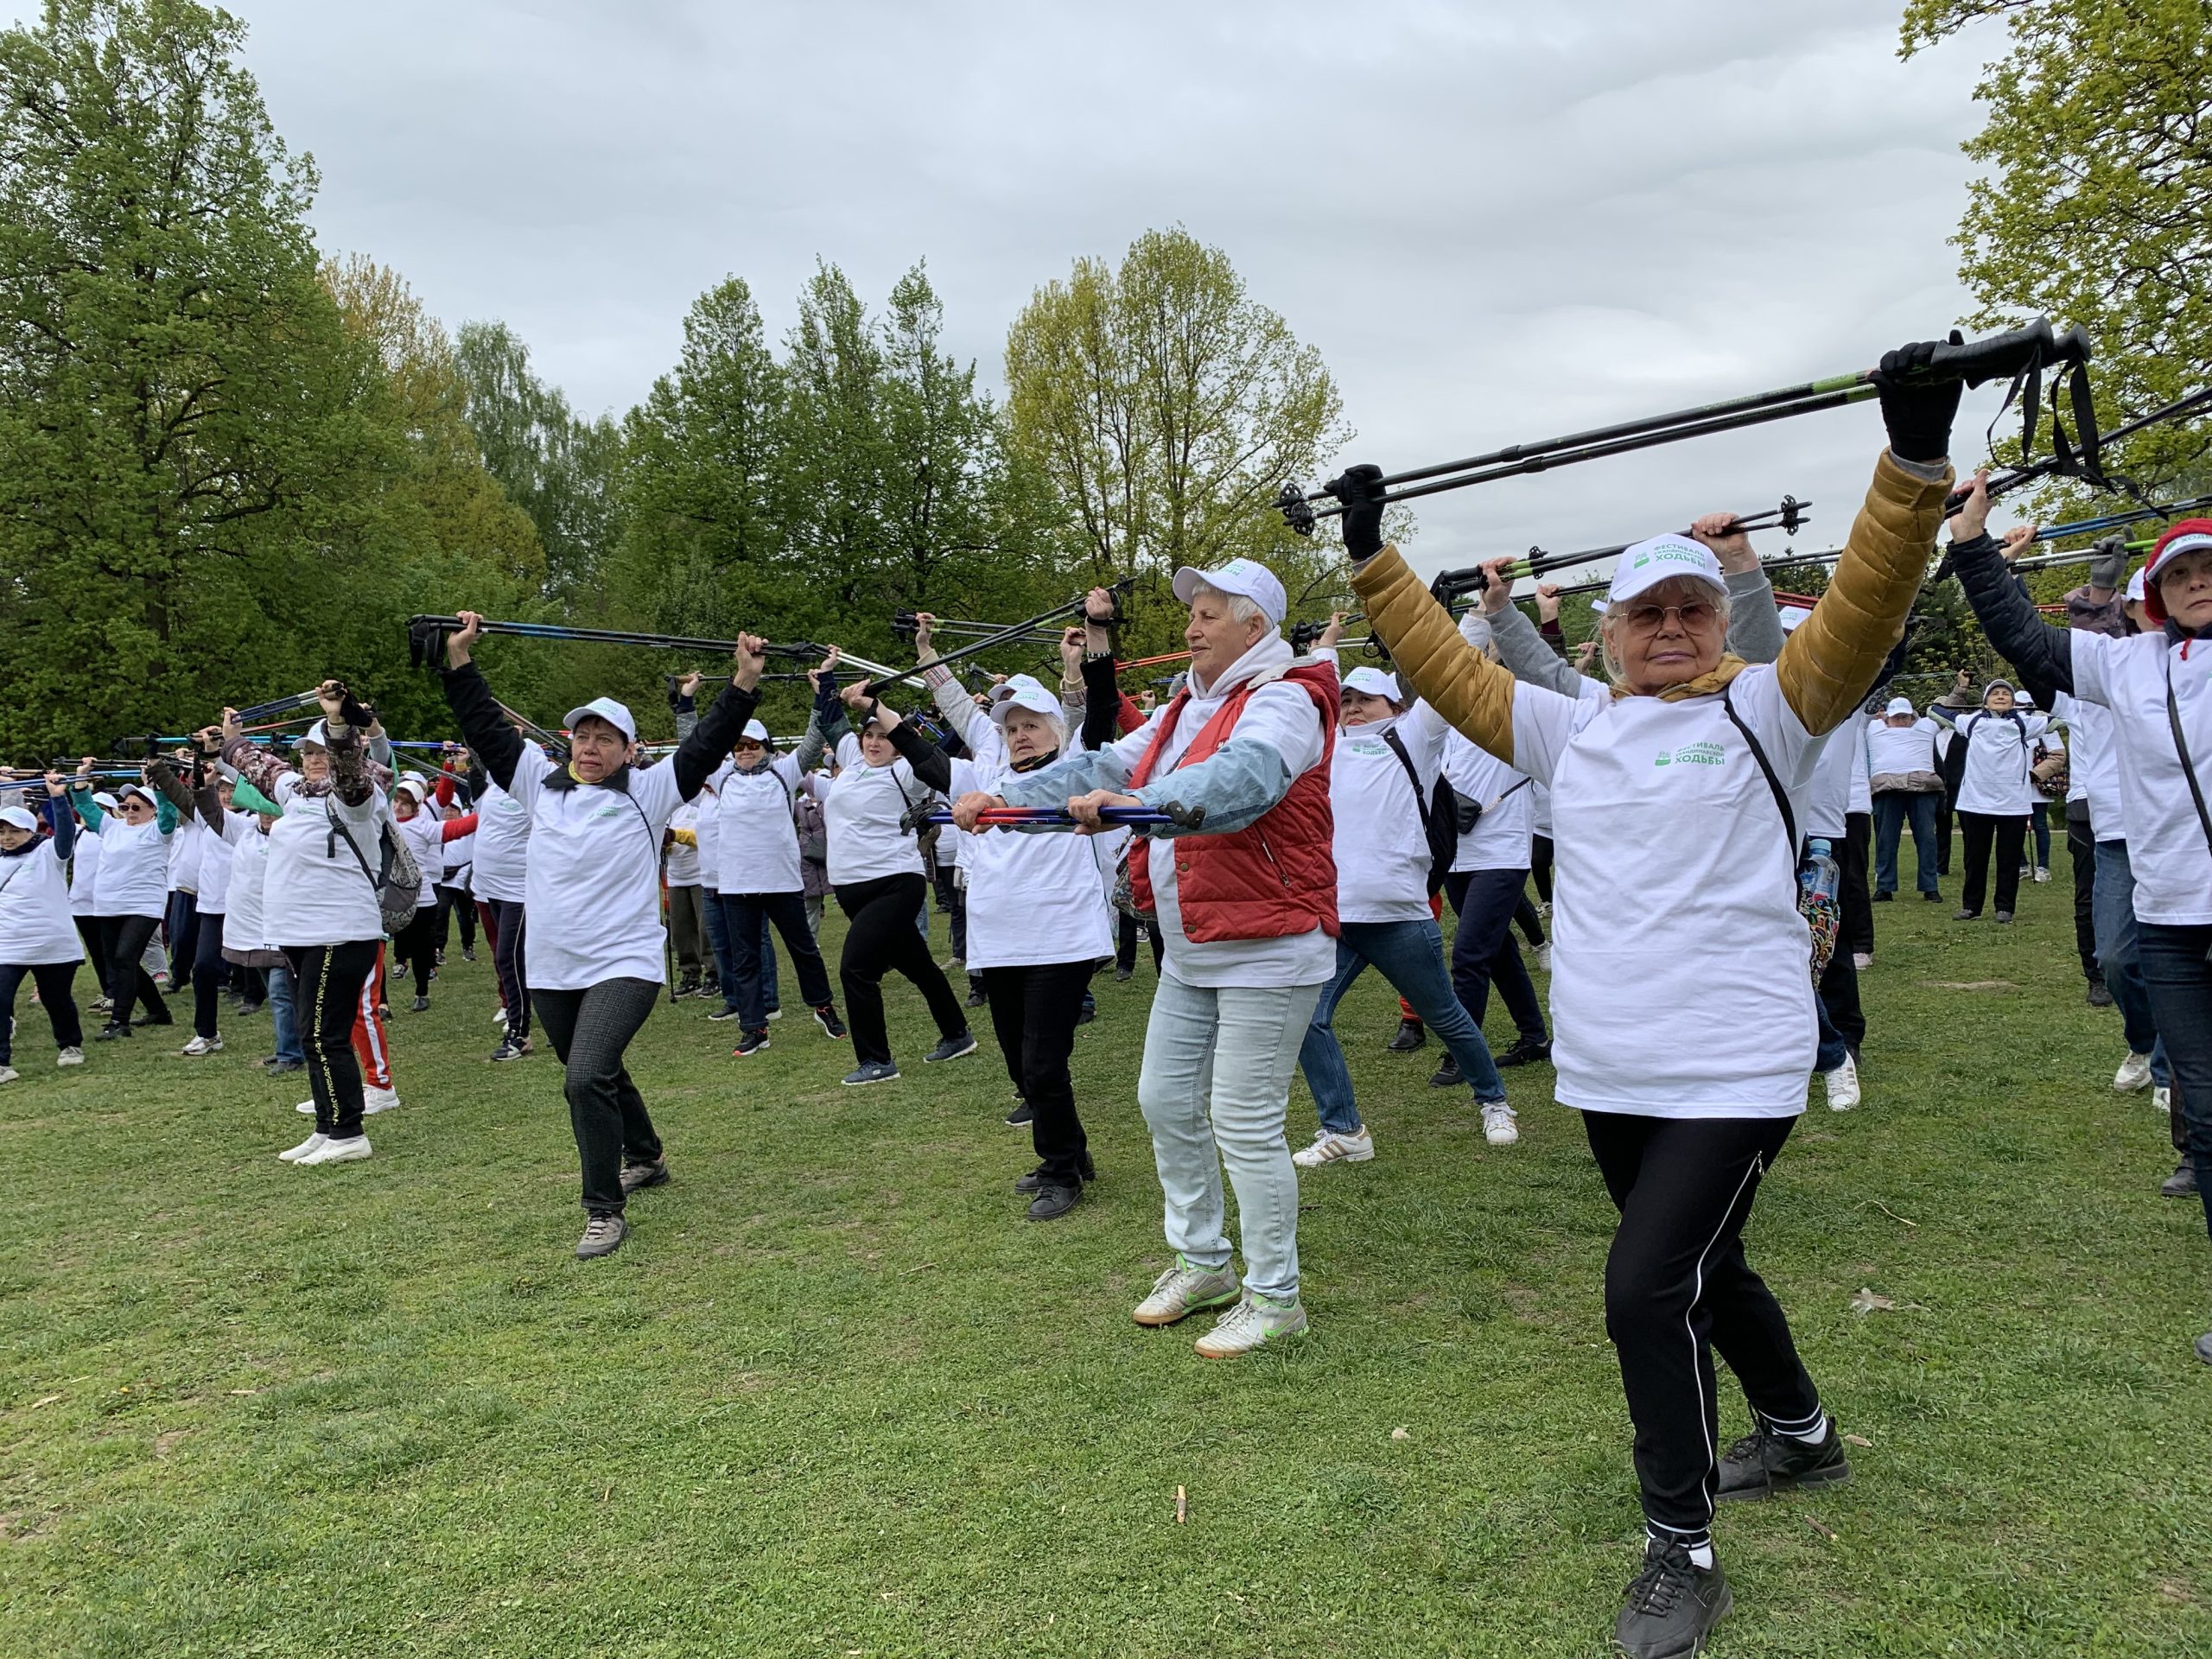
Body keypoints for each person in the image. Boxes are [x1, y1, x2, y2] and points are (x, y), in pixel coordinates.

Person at [1333, 336, 1960, 1656]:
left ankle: (1679, 1546)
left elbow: (1862, 605)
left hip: (1733, 1066)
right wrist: (1373, 555)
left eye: (1689, 609)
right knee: (1704, 1268)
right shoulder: (1575, 726)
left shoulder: (1776, 707)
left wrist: (1907, 465)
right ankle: (1803, 1436)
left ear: (1718, 619)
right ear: (1611, 634)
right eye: (1645, 616)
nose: (1670, 631)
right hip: (1613, 1069)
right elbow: (1450, 669)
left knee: (1642, 1290)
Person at [959, 556, 1338, 1359]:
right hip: (1197, 945)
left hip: (1273, 946)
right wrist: (1006, 800)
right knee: (1164, 1102)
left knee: (1244, 1121)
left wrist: (1137, 805)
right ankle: (1203, 1264)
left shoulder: (1288, 699)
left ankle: (1276, 1297)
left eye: (1208, 614)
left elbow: (1244, 781)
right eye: (1191, 612)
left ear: (1254, 626)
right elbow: (1101, 766)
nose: (1190, 628)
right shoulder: (1181, 710)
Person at [1948, 505, 2212, 1364]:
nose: (2195, 582)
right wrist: (1972, 546)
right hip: (2172, 917)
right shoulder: (2126, 664)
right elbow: (2025, 638)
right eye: (2178, 574)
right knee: (2204, 1114)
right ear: (2157, 594)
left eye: (2206, 568)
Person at [441, 611, 763, 1259]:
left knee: (584, 1077)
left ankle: (603, 1210)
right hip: (553, 965)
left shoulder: (649, 791)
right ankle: (645, 1156)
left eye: (605, 738)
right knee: (598, 1069)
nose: (590, 746)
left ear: (629, 749)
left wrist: (744, 682)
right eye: (582, 735)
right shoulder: (538, 783)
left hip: (626, 960)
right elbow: (482, 726)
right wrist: (458, 659)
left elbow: (707, 742)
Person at [1285, 639, 1519, 1167]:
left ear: (1395, 705)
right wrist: (1322, 654)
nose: (1352, 707)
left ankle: (1494, 1103)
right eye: (1347, 699)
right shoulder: (1328, 745)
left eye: (1366, 699)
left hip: (1399, 916)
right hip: (1338, 919)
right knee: (1307, 1018)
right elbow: (1312, 696)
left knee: (1447, 1017)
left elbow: (1443, 673)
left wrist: (1478, 619)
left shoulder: (1413, 738)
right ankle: (1344, 1129)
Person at [926, 609, 1116, 1219]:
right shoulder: (991, 773)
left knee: (1043, 1060)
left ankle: (1062, 1172)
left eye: (1032, 725)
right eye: (1012, 728)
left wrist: (1091, 644)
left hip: (1060, 939)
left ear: (1058, 729)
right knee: (1018, 1062)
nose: (1020, 735)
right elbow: (959, 709)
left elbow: (1101, 702)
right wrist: (928, 650)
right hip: (997, 940)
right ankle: (1072, 1152)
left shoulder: (1076, 762)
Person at [222, 690, 397, 1166]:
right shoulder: (295, 793)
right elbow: (258, 765)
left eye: (324, 751)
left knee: (325, 1035)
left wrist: (339, 726)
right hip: (300, 934)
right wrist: (232, 738)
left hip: (339, 932)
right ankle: (326, 1126)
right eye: (309, 751)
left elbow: (350, 773)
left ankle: (347, 1132)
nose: (315, 759)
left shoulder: (359, 796)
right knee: (310, 1034)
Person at [813, 661, 976, 1086]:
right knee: (919, 966)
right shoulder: (852, 760)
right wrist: (826, 680)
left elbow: (937, 753)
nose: (873, 741)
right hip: (852, 890)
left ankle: (876, 1060)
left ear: (897, 742)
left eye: (882, 735)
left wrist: (893, 714)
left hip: (894, 884)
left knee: (856, 968)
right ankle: (957, 1034)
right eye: (868, 734)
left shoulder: (907, 772)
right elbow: (832, 720)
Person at [702, 686, 842, 1058]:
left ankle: (823, 1007)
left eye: (753, 745)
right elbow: (693, 745)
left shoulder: (784, 771)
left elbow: (813, 740)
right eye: (739, 746)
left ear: (766, 746)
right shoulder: (721, 776)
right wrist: (684, 704)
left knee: (804, 950)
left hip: (781, 882)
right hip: (736, 886)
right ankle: (754, 1028)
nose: (745, 752)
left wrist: (820, 694)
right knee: (744, 960)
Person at [1931, 663, 2046, 922]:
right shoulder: (1971, 721)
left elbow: (2058, 720)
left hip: (2014, 804)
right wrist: (1958, 692)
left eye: (2006, 694)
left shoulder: (2024, 723)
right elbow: (1934, 711)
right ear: (1985, 702)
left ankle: (2004, 907)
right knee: (1975, 859)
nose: (2001, 697)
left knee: (2008, 860)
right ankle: (1971, 907)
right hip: (1975, 803)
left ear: (2014, 702)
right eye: (1995, 694)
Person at [80, 764, 188, 1039]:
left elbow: (167, 813)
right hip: (108, 905)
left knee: (124, 958)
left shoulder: (159, 830)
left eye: (137, 807)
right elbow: (87, 809)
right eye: (126, 806)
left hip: (142, 905)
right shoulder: (112, 827)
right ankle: (158, 1011)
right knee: (121, 962)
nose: (129, 811)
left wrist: (159, 787)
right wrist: (80, 781)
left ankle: (119, 1022)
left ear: (151, 810)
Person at [0, 773, 87, 1080]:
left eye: (14, 831)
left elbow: (65, 834)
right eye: (2, 831)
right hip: (8, 944)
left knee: (56, 998)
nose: (7, 837)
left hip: (52, 943)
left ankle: (70, 1045)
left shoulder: (50, 853)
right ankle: (2, 1064)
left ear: (30, 830)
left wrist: (58, 798)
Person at [1866, 696, 1944, 901]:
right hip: (1886, 789)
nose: (1901, 720)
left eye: (1905, 716)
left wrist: (1961, 689)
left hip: (1923, 789)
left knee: (1927, 839)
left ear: (1912, 716)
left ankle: (1930, 887)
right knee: (1886, 840)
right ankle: (1884, 887)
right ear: (1887, 717)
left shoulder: (1926, 726)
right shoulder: (1873, 727)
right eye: (1896, 717)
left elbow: (1944, 711)